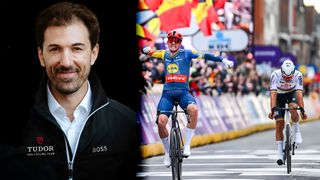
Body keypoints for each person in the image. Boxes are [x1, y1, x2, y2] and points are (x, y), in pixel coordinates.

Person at [6, 2, 141, 179]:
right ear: (41, 56)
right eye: (55, 49)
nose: (66, 62)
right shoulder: (9, 127)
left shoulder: (127, 124)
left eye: (77, 48)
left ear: (93, 53)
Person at [141, 30, 234, 167]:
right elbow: (147, 51)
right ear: (167, 42)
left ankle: (188, 145)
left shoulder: (187, 53)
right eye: (171, 41)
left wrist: (222, 60)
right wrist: (145, 49)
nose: (173, 43)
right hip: (167, 94)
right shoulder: (163, 53)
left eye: (176, 41)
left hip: (183, 92)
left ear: (180, 43)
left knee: (194, 110)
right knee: (161, 122)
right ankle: (167, 153)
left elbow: (205, 56)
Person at [268, 59, 307, 166]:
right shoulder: (275, 75)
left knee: (294, 108)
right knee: (279, 125)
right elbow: (273, 95)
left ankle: (297, 131)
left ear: (294, 72)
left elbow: (299, 94)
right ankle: (280, 154)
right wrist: (272, 109)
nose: (288, 79)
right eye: (285, 77)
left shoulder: (298, 75)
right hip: (278, 97)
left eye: (290, 77)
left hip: (291, 94)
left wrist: (302, 110)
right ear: (281, 71)